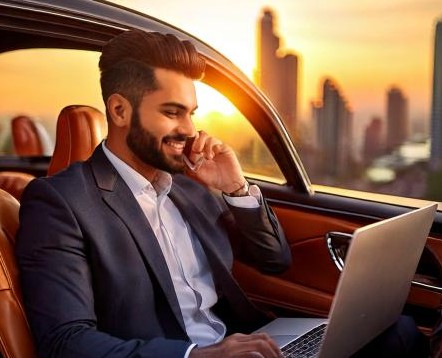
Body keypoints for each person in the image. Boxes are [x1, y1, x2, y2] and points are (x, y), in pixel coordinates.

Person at [16, 29, 427, 358]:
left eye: (191, 113)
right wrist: (197, 355)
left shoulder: (190, 186)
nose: (190, 130)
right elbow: (65, 341)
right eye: (172, 112)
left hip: (246, 340)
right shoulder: (59, 202)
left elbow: (275, 260)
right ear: (120, 111)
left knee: (401, 331)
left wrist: (236, 188)